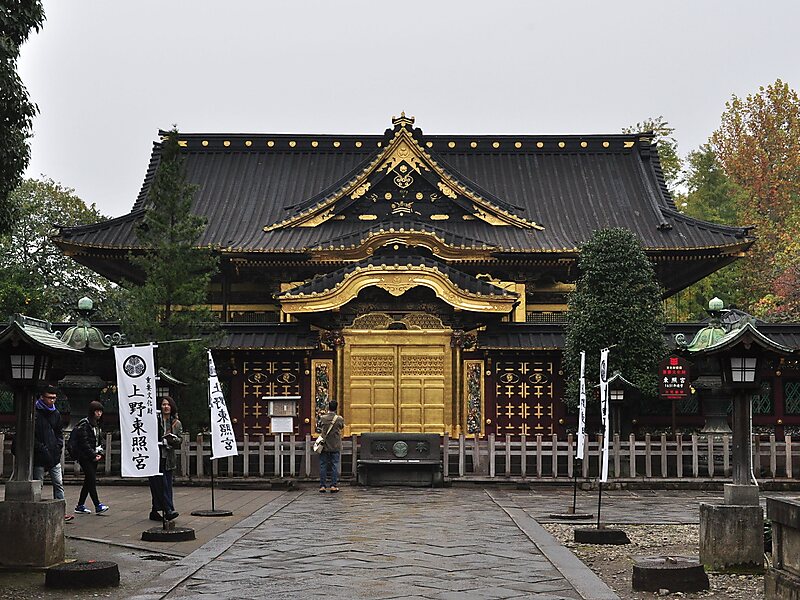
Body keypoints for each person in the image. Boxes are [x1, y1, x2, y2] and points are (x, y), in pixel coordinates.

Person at [33, 385, 73, 522]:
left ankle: (61, 511)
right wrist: (42, 449)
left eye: (54, 398)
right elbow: (33, 437)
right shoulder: (35, 413)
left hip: (54, 455)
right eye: (49, 398)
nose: (52, 401)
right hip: (39, 455)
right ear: (42, 397)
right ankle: (35, 510)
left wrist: (58, 447)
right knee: (38, 484)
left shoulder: (55, 413)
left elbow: (59, 433)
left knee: (58, 483)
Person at [148, 396, 183, 521]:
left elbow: (180, 439)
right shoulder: (155, 421)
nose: (166, 407)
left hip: (168, 457)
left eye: (168, 404)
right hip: (155, 456)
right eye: (163, 404)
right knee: (157, 483)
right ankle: (163, 509)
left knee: (166, 484)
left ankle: (163, 509)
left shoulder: (176, 423)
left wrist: (173, 440)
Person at [72, 400, 109, 514]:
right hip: (85, 457)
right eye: (97, 411)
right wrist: (93, 455)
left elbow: (99, 440)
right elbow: (84, 443)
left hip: (94, 455)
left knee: (88, 481)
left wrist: (100, 453)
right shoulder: (84, 424)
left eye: (100, 411)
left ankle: (80, 505)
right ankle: (97, 504)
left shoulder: (97, 425)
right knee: (91, 479)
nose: (99, 414)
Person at [318, 400, 344, 493]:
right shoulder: (339, 419)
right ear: (336, 408)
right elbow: (341, 427)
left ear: (328, 407)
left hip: (324, 445)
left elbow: (319, 426)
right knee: (334, 465)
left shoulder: (323, 418)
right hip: (335, 445)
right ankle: (333, 485)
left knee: (323, 465)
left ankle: (322, 486)